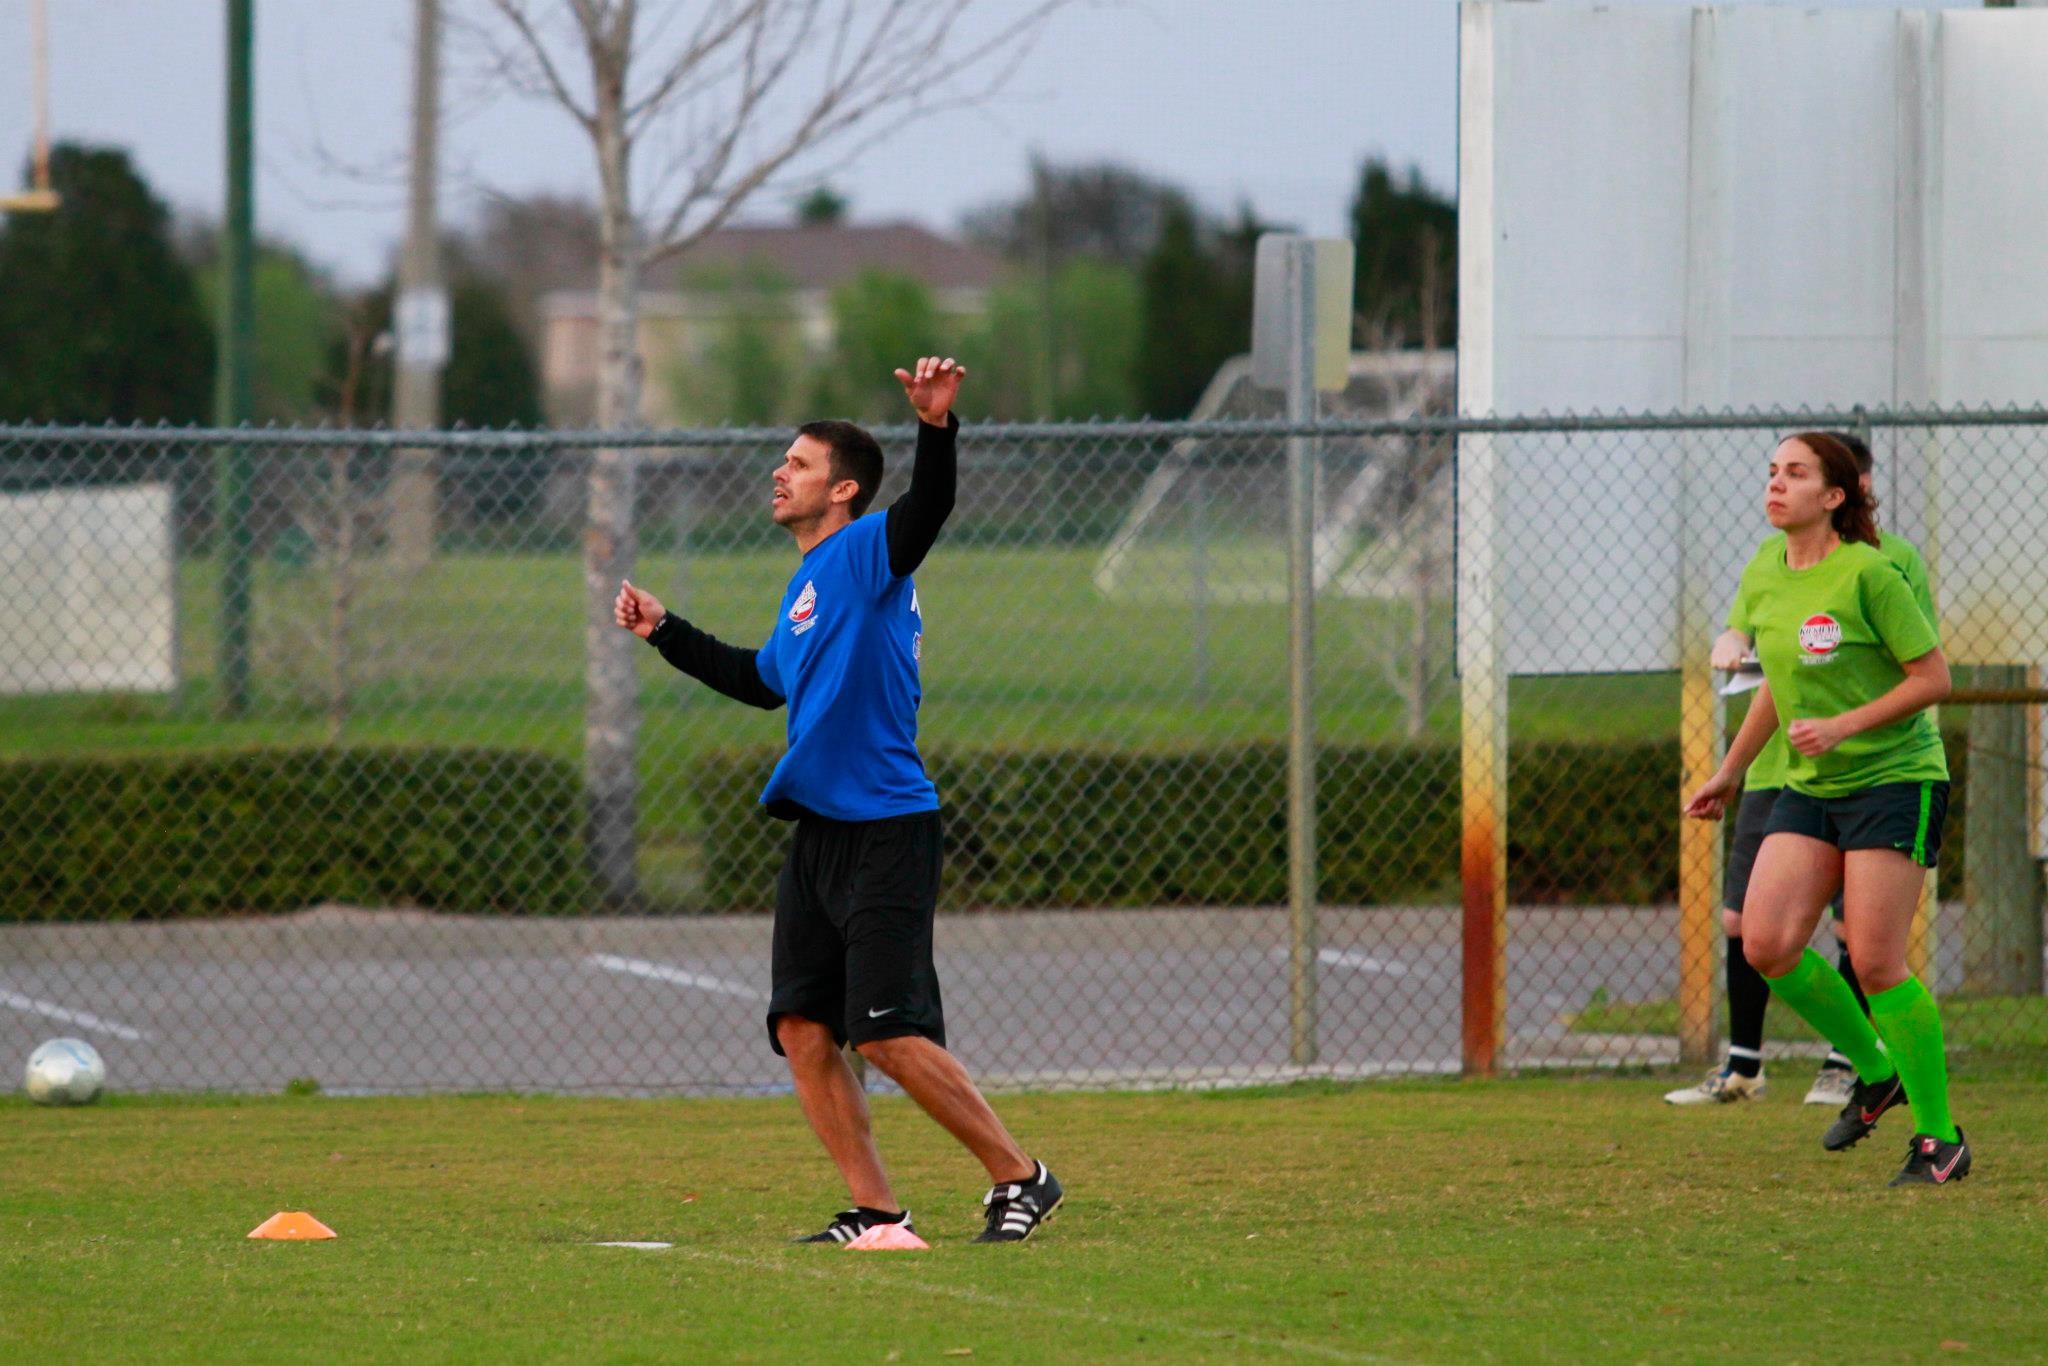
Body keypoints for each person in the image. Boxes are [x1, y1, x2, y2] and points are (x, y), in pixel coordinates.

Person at [614, 357, 1064, 1242]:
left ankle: (1023, 1177)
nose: (780, 472)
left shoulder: (865, 554)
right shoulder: (808, 589)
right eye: (782, 460)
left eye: (800, 464)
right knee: (803, 1029)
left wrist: (936, 427)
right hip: (820, 832)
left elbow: (928, 511)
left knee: (888, 1036)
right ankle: (876, 1211)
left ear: (845, 489)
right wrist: (664, 631)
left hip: (888, 826)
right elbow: (760, 681)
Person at [1684, 431, 1967, 1186]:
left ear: (1834, 496)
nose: (1777, 484)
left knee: (1875, 960)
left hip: (1895, 780)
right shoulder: (1767, 573)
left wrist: (1844, 724)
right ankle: (1876, 1070)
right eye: (1772, 471)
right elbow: (1779, 682)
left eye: (1796, 473)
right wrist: (1730, 773)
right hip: (1813, 787)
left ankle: (1941, 1138)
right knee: (1766, 944)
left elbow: (1934, 677)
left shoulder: (1870, 574)